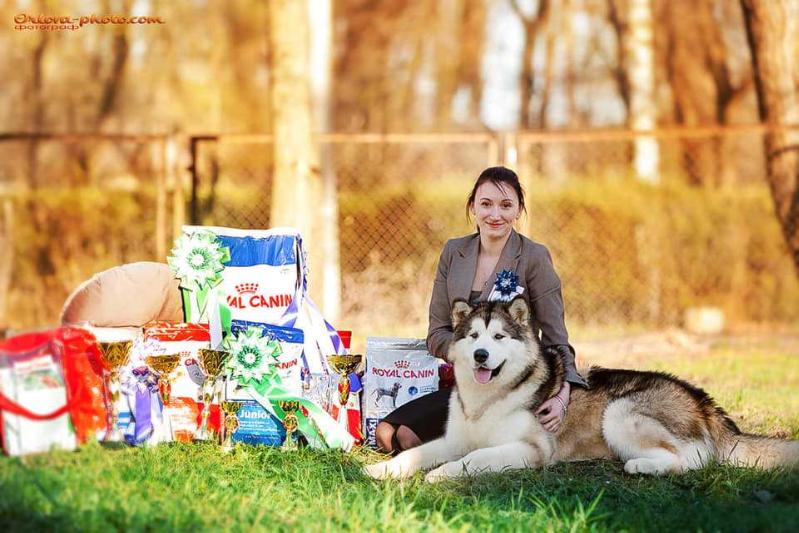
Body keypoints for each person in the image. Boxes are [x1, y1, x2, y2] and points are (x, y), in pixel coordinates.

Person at [375, 166, 587, 453]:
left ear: (519, 210)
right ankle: (463, 442)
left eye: (506, 205)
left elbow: (556, 339)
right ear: (473, 207)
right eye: (486, 204)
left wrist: (562, 397)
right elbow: (437, 332)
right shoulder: (454, 251)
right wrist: (470, 352)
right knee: (386, 434)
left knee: (408, 440)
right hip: (464, 379)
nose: (495, 215)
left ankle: (469, 448)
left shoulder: (534, 257)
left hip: (511, 385)